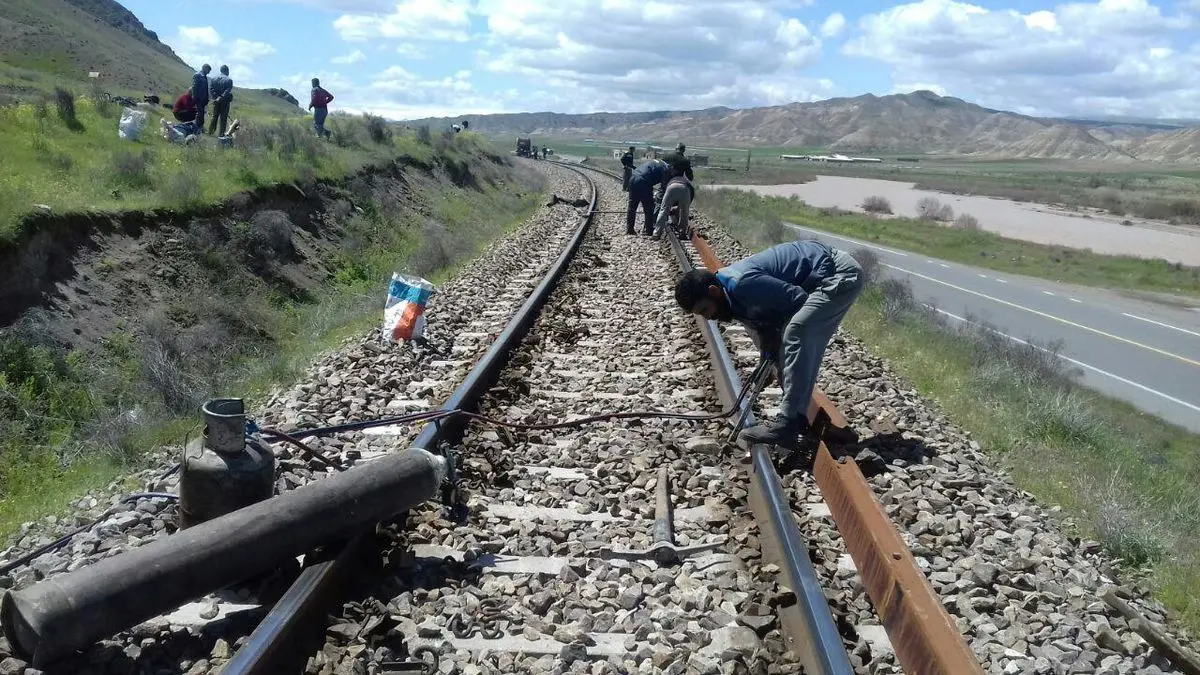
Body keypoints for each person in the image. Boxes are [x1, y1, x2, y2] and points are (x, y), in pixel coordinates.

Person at [673, 239, 864, 449]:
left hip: (837, 273)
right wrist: (765, 361)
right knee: (785, 344)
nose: (708, 318)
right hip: (819, 272)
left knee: (796, 331)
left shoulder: (743, 284)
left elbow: (797, 300)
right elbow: (764, 325)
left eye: (704, 310)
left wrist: (780, 342)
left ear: (713, 291)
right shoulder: (728, 296)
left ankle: (789, 423)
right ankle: (801, 420)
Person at [626, 158, 671, 235]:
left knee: (632, 206)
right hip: (644, 181)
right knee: (649, 207)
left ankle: (629, 229)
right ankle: (648, 229)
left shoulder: (656, 161)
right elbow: (664, 186)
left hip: (633, 177)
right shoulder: (665, 168)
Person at [653, 173, 694, 239]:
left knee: (663, 210)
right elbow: (689, 200)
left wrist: (672, 208)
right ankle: (682, 233)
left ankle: (656, 233)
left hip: (671, 187)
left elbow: (666, 199)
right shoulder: (687, 183)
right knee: (684, 212)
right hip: (685, 188)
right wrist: (682, 207)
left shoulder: (670, 179)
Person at [208, 65, 233, 136]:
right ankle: (221, 134)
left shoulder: (213, 79)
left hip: (216, 101)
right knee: (223, 118)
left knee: (215, 116)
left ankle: (210, 132)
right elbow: (227, 91)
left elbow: (211, 89)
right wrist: (221, 97)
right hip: (225, 102)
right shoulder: (229, 80)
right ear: (227, 71)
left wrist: (216, 97)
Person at [191, 64, 212, 132]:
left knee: (202, 113)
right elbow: (194, 87)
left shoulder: (204, 76)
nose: (209, 72)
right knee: (199, 114)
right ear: (204, 68)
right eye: (208, 70)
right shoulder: (198, 75)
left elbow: (205, 89)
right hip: (198, 98)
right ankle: (196, 128)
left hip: (203, 99)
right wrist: (194, 97)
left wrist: (206, 98)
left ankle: (200, 127)